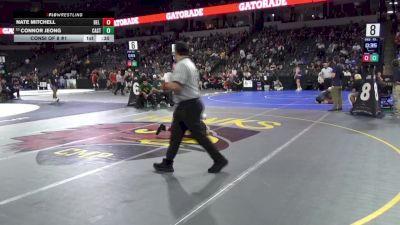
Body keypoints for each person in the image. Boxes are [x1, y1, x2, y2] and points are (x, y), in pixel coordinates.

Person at [153, 41, 228, 173]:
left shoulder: (181, 65)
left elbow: (177, 87)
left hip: (187, 106)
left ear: (176, 52)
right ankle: (168, 162)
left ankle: (219, 159)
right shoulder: (191, 64)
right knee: (176, 135)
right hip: (190, 104)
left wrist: (165, 85)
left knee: (198, 136)